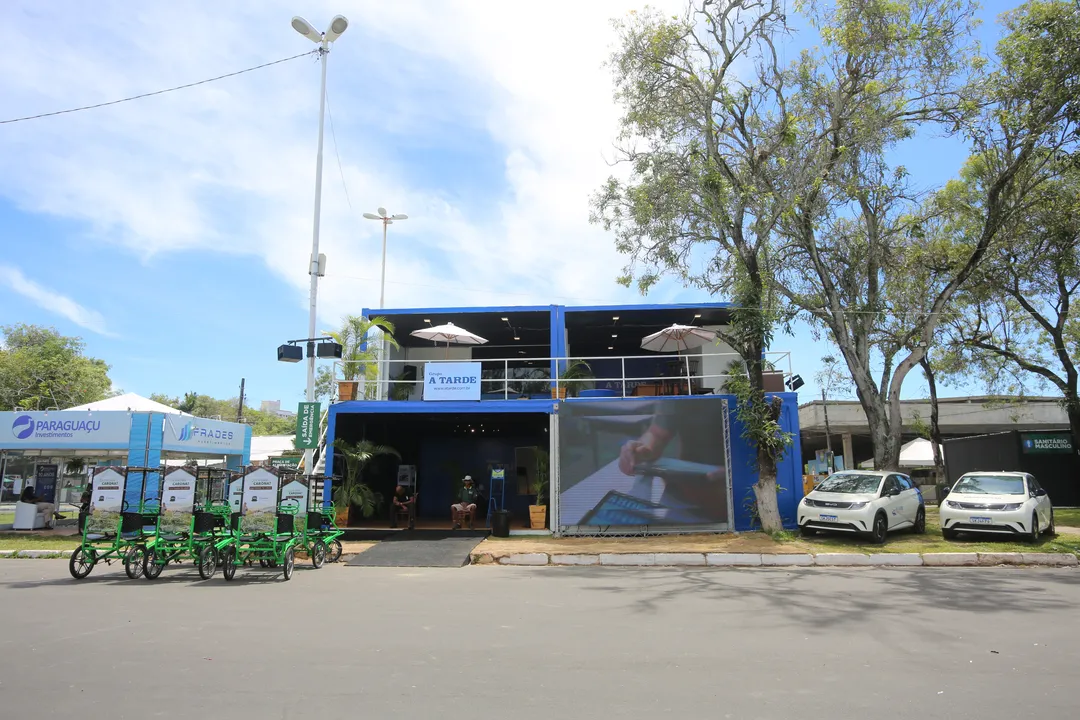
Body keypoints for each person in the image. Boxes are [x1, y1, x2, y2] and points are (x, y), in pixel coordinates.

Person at [616, 401, 727, 522]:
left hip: (732, 499)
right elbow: (657, 433)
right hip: (684, 494)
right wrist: (641, 449)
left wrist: (735, 474)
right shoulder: (676, 389)